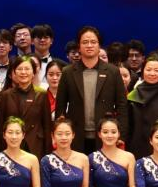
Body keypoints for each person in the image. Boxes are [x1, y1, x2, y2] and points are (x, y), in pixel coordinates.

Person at [54, 26, 128, 154]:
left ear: (99, 46)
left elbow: (122, 106)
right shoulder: (68, 72)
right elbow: (60, 106)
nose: (89, 45)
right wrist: (60, 133)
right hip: (76, 135)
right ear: (79, 46)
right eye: (85, 42)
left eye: (93, 42)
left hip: (105, 135)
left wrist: (121, 135)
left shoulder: (113, 72)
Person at [0, 55, 51, 156]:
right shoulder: (6, 95)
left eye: (27, 69)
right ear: (14, 72)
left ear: (33, 72)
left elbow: (47, 126)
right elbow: (1, 125)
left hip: (35, 144)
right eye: (19, 69)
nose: (23, 72)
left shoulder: (41, 94)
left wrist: (47, 153)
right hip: (12, 143)